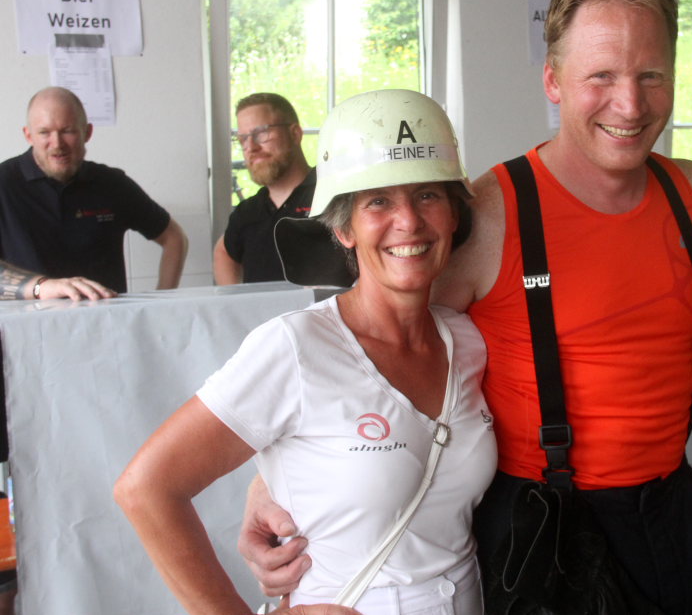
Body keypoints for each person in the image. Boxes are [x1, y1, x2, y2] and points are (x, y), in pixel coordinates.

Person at [239, 0, 692, 614]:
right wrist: (271, 485)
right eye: (600, 76)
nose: (629, 104)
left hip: (674, 515)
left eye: (651, 75)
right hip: (543, 535)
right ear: (553, 80)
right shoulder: (493, 211)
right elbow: (375, 352)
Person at [115, 89, 497, 615]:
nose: (409, 221)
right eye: (378, 201)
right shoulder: (295, 347)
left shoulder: (469, 341)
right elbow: (146, 489)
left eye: (428, 194)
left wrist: (267, 484)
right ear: (343, 228)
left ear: (454, 215)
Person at [0, 86, 188, 298]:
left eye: (67, 131)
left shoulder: (113, 184)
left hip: (105, 316)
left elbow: (174, 238)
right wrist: (41, 288)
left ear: (87, 132)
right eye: (44, 132)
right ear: (28, 135)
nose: (57, 144)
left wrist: (162, 299)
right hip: (28, 318)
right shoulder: (4, 183)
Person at [213, 93, 316, 285]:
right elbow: (224, 251)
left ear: (295, 134)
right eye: (242, 139)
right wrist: (233, 298)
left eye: (261, 133)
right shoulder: (246, 212)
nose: (250, 147)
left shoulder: (333, 196)